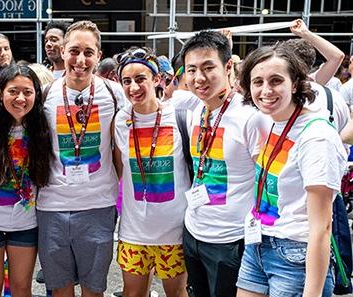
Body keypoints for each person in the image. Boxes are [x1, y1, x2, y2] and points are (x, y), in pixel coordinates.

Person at [236, 44, 347, 297]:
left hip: (295, 253)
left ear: (295, 84)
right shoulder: (272, 121)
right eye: (258, 81)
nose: (266, 90)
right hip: (258, 243)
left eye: (276, 81)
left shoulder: (316, 137)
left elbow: (322, 227)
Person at [36, 20, 126, 297]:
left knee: (94, 290)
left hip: (98, 207)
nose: (80, 60)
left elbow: (119, 150)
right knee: (60, 289)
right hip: (52, 206)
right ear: (63, 52)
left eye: (88, 52)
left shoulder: (114, 94)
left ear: (98, 56)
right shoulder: (46, 94)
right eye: (74, 50)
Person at [180, 31, 268, 297]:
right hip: (194, 230)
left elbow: (266, 180)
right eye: (191, 69)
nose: (199, 78)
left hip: (230, 240)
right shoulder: (196, 111)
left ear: (228, 66)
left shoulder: (251, 117)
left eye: (209, 68)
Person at [0, 64, 53, 297]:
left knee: (21, 288)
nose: (20, 98)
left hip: (26, 223)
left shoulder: (43, 129)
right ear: (0, 93)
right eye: (13, 91)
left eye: (27, 92)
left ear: (36, 94)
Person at [113, 47, 189, 297]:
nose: (133, 87)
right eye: (127, 81)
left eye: (140, 79)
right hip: (134, 231)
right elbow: (119, 169)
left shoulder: (179, 114)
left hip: (173, 231)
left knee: (176, 294)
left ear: (157, 79)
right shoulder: (121, 121)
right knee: (132, 294)